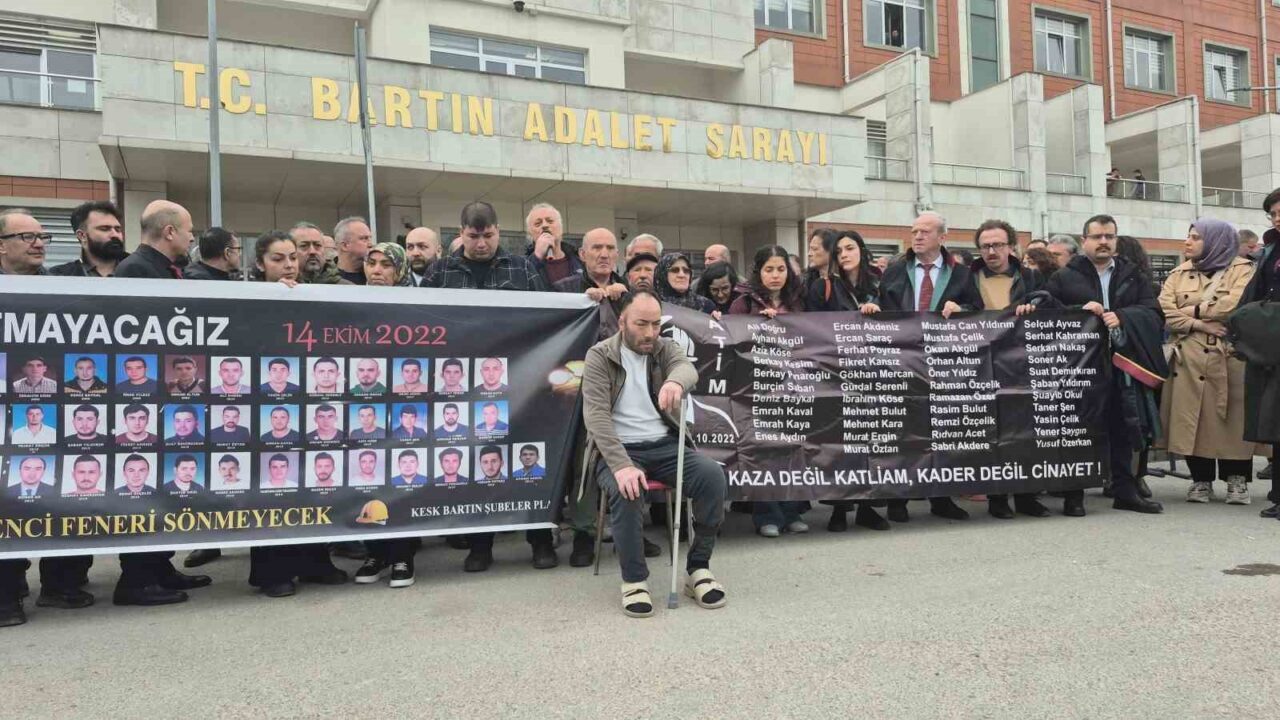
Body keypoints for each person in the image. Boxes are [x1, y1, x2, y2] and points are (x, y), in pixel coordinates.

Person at [420, 200, 555, 571]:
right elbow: (421, 321)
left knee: (529, 460)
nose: (481, 244)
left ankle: (540, 540)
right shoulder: (440, 271)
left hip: (519, 381)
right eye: (473, 236)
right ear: (460, 233)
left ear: (499, 231)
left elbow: (551, 318)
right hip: (462, 386)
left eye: (489, 236)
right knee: (479, 461)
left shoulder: (523, 268)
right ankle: (480, 545)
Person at [583, 290, 728, 617]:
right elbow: (595, 417)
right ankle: (634, 581)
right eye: (641, 324)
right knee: (629, 490)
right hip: (618, 449)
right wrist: (621, 465)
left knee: (712, 477)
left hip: (664, 445)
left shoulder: (663, 347)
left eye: (654, 324)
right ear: (622, 322)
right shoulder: (599, 356)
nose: (649, 332)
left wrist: (675, 382)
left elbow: (688, 369)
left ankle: (699, 570)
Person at [1046, 214, 1166, 515]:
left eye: (1109, 237)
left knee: (1123, 426)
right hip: (1079, 368)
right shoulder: (1064, 276)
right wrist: (1082, 312)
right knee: (1077, 429)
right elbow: (1048, 311)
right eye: (1097, 236)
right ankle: (1074, 495)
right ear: (1084, 240)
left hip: (1122, 365)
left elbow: (1153, 313)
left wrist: (1122, 317)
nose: (1103, 242)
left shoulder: (1133, 274)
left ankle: (1125, 491)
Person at [868, 211, 982, 523]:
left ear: (942, 237)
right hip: (903, 360)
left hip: (943, 364)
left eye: (924, 232)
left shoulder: (959, 274)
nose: (917, 237)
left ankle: (941, 498)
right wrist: (874, 308)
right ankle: (898, 500)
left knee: (942, 432)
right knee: (902, 432)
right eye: (914, 231)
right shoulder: (895, 269)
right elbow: (881, 304)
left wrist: (962, 309)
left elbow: (977, 309)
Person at [1158, 218, 1257, 505]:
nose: (1187, 242)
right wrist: (1202, 324)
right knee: (1193, 419)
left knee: (1234, 420)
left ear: (1215, 240)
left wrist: (1193, 310)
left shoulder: (1244, 270)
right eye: (1188, 236)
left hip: (1231, 356)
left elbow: (1236, 306)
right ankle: (1200, 480)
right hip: (1189, 356)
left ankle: (1236, 480)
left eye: (1195, 237)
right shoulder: (1178, 273)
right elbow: (1165, 312)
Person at [965, 220, 1052, 519]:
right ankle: (997, 499)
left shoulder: (1030, 277)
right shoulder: (966, 278)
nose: (991, 251)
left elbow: (1050, 302)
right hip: (981, 366)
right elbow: (953, 307)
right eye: (985, 246)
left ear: (1011, 247)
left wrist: (1035, 303)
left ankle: (1027, 497)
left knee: (1025, 431)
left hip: (1021, 364)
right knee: (991, 433)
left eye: (997, 245)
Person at [805, 230, 891, 533]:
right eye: (839, 250)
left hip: (876, 374)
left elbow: (898, 322)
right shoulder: (823, 287)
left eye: (850, 248)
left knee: (872, 442)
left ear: (862, 250)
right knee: (842, 443)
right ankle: (839, 508)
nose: (844, 254)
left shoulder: (881, 283)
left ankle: (869, 507)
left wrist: (876, 314)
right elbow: (814, 327)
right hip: (838, 374)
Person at [727, 245, 811, 536]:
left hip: (793, 386)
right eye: (769, 269)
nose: (775, 275)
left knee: (792, 450)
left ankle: (792, 512)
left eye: (781, 269)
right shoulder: (743, 303)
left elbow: (814, 336)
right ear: (758, 272)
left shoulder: (800, 301)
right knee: (764, 452)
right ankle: (766, 516)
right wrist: (757, 325)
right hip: (757, 389)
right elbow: (731, 342)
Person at [1245, 190, 1280, 518]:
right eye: (1272, 213)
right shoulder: (1269, 250)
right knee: (1274, 420)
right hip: (1272, 342)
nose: (1277, 216)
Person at [554, 227, 628, 341]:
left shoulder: (629, 291)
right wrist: (581, 300)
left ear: (617, 255)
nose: (604, 254)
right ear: (582, 254)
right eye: (597, 248)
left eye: (610, 248)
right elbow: (557, 334)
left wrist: (627, 299)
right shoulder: (563, 289)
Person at [114, 200, 194, 280]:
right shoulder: (134, 270)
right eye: (189, 231)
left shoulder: (174, 268)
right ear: (170, 232)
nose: (192, 238)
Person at [50, 200, 127, 277]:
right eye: (104, 229)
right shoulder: (59, 276)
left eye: (118, 229)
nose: (115, 235)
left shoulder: (136, 269)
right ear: (82, 236)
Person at [525, 202, 583, 286]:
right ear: (530, 233)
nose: (545, 225)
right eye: (538, 224)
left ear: (561, 227)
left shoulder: (580, 261)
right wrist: (536, 257)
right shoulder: (522, 264)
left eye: (550, 221)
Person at [0, 208, 49, 276]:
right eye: (28, 237)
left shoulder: (60, 285)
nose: (40, 244)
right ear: (1, 245)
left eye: (41, 237)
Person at [334, 216, 372, 284]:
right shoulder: (325, 278)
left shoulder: (375, 276)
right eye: (364, 239)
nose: (370, 244)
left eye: (369, 238)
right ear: (345, 246)